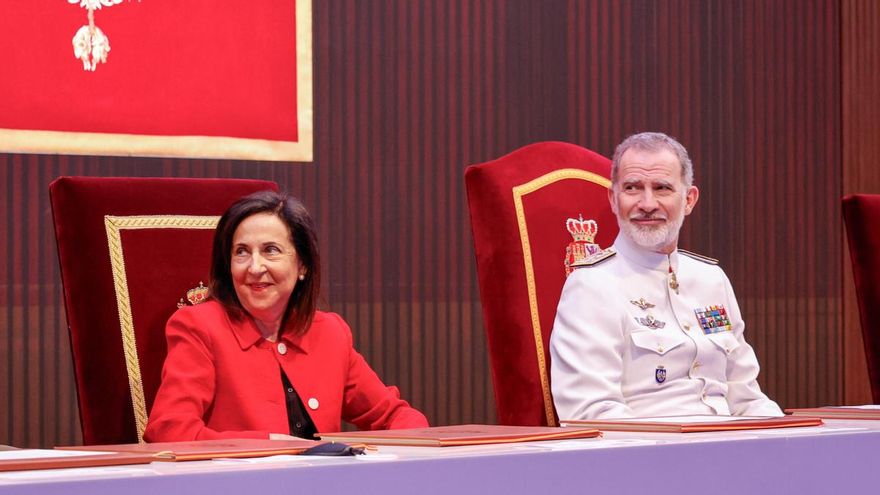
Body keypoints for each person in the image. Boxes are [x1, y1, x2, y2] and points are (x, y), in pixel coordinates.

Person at [144, 191, 428, 441]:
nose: (255, 267)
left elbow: (397, 417)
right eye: (241, 252)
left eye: (270, 250)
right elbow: (170, 430)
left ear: (302, 264)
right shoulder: (199, 326)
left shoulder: (329, 332)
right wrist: (271, 445)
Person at [550, 132, 782, 420]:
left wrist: (790, 440)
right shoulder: (592, 285)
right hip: (650, 455)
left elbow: (746, 396)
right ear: (613, 199)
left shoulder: (711, 279)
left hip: (728, 448)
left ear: (689, 199)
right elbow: (591, 412)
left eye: (662, 188)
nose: (647, 203)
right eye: (633, 188)